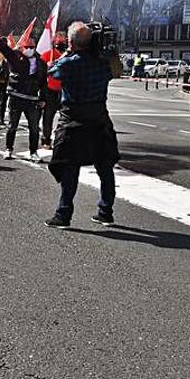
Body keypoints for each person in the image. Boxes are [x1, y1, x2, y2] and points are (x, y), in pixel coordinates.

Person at [45, 22, 120, 229]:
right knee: (105, 167)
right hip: (99, 120)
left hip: (74, 122)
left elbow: (52, 72)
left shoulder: (69, 63)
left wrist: (66, 53)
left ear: (71, 42)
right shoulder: (103, 63)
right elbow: (115, 70)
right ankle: (106, 212)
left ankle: (63, 214)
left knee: (70, 168)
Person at [0, 23, 47, 162]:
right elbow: (3, 47)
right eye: (27, 47)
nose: (29, 49)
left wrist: (43, 98)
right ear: (22, 47)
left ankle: (33, 152)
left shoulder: (41, 63)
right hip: (16, 96)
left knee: (34, 128)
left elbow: (43, 82)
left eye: (32, 47)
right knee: (12, 125)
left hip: (32, 99)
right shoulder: (15, 57)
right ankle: (8, 149)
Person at [40, 34, 67, 149]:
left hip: (65, 90)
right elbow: (40, 73)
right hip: (50, 90)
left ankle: (62, 140)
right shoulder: (47, 55)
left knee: (65, 118)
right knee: (48, 116)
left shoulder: (68, 56)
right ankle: (46, 138)